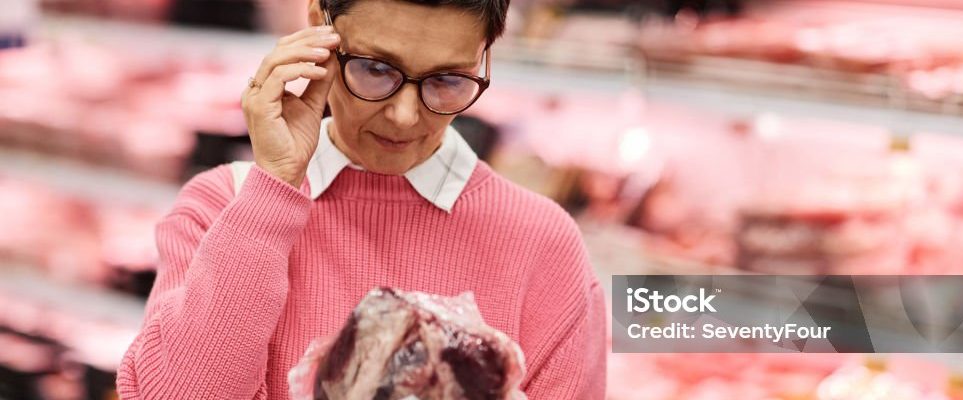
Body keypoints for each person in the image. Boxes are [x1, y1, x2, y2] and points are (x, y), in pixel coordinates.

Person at [115, 0, 607, 398]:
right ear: (318, 31)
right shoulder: (223, 205)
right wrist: (276, 187)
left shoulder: (543, 241)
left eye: (447, 80)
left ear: (483, 57)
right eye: (375, 69)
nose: (404, 115)